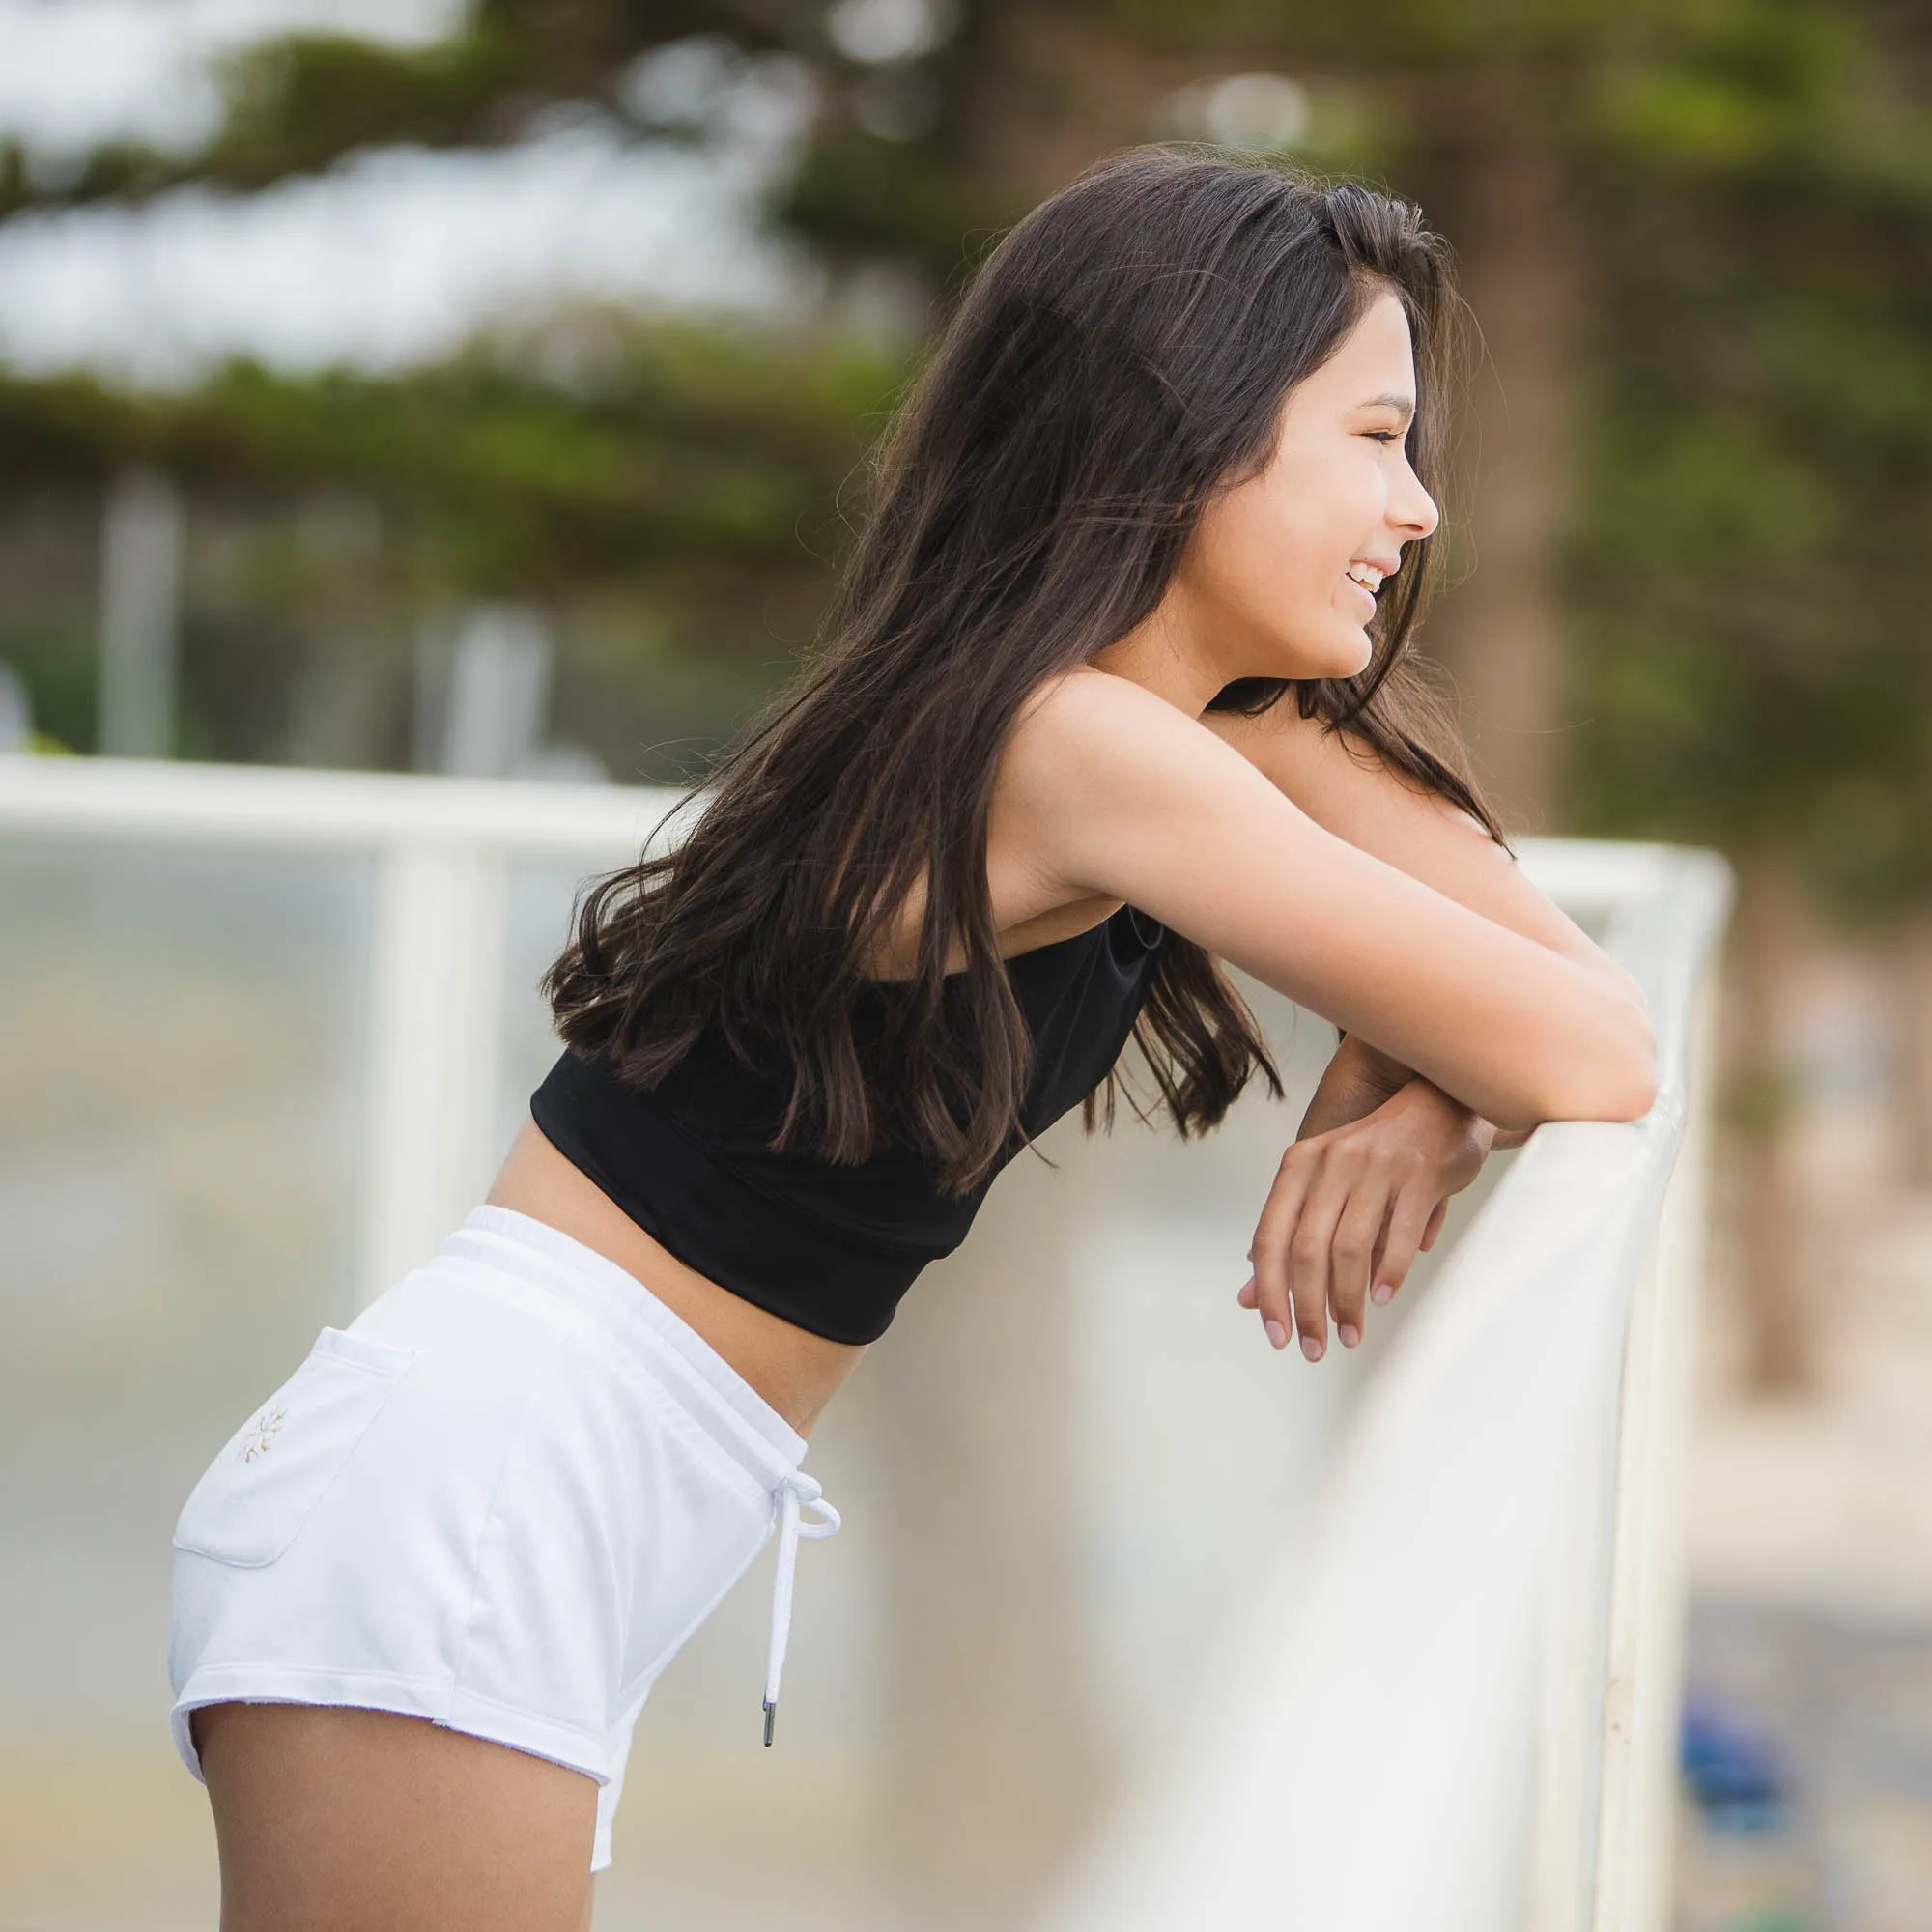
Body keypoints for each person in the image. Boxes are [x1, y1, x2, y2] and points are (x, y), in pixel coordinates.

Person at [166, 149, 1655, 1930]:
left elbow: (1567, 1004)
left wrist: (1404, 1079)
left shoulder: (1182, 724)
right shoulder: (1077, 751)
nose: (1417, 509)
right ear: (1185, 424)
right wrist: (1442, 1049)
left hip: (567, 1491)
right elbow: (1592, 1053)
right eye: (1372, 437)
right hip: (471, 1489)